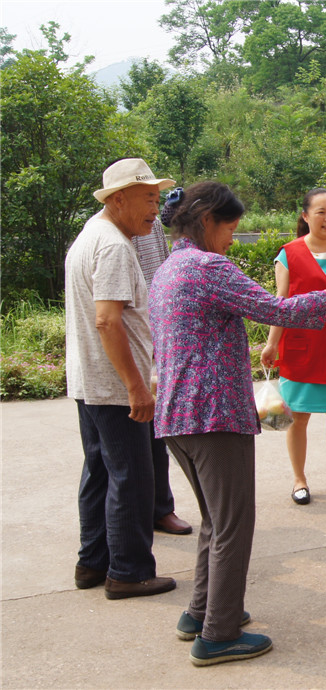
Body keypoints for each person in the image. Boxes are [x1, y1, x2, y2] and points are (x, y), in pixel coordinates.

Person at [148, 181, 326, 666]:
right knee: (234, 523)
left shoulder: (168, 268)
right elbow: (275, 309)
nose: (234, 238)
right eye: (231, 228)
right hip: (214, 416)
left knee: (216, 519)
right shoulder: (208, 266)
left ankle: (200, 613)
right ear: (208, 221)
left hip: (177, 415)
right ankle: (218, 634)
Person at [65, 158, 177, 599]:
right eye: (147, 198)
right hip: (114, 386)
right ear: (117, 200)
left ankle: (92, 563)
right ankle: (128, 572)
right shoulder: (112, 245)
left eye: (156, 196)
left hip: (90, 381)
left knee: (100, 472)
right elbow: (108, 321)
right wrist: (135, 384)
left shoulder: (92, 234)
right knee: (132, 475)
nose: (156, 207)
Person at [260, 188, 326, 505]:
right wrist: (271, 344)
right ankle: (299, 479)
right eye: (321, 212)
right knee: (299, 416)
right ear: (305, 216)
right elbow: (280, 305)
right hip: (302, 346)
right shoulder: (289, 254)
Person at [132, 214, 193, 535]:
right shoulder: (104, 237)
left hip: (156, 334)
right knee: (122, 449)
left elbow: (160, 275)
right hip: (126, 343)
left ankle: (160, 508)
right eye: (147, 196)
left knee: (157, 434)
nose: (153, 205)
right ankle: (129, 523)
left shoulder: (151, 225)